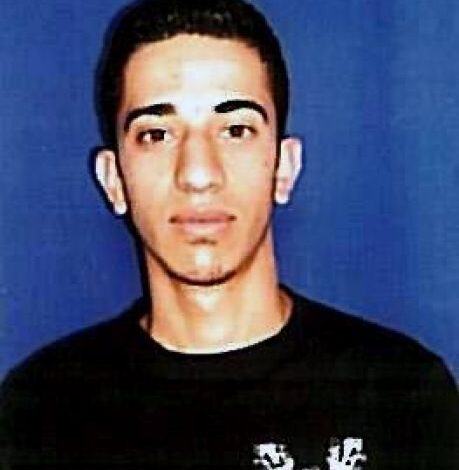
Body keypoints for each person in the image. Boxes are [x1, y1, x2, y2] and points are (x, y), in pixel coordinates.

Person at [1, 0, 457, 468]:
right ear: (114, 179)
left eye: (236, 130)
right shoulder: (41, 413)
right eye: (157, 135)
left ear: (284, 167)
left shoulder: (403, 396)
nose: (198, 174)